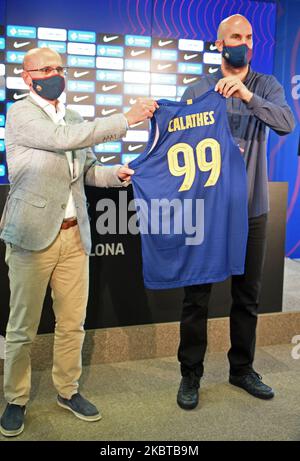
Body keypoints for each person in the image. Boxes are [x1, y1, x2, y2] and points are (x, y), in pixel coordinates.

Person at [0, 47, 158, 437]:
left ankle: (67, 391)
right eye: (46, 68)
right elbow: (62, 139)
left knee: (73, 324)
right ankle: (15, 399)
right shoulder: (20, 115)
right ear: (27, 77)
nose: (55, 73)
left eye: (59, 67)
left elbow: (85, 168)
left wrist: (113, 175)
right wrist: (127, 119)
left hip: (74, 235)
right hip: (32, 237)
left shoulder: (72, 115)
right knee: (23, 327)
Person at [177, 14, 295, 410]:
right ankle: (190, 373)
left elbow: (285, 123)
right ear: (218, 44)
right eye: (234, 36)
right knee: (197, 297)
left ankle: (241, 368)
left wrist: (247, 96)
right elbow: (178, 143)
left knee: (247, 297)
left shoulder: (266, 86)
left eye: (247, 37)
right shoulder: (197, 88)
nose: (241, 42)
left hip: (251, 210)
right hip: (208, 212)